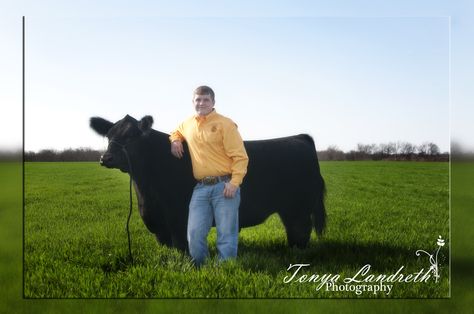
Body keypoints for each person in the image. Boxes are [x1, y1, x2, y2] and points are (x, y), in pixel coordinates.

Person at [169, 86, 249, 266]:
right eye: (198, 100)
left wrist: (234, 183)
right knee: (194, 233)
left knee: (226, 233)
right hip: (200, 188)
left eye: (205, 99)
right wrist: (175, 140)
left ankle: (225, 270)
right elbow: (177, 131)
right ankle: (200, 268)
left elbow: (241, 157)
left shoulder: (225, 124)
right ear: (193, 102)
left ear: (213, 102)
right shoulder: (188, 123)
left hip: (225, 186)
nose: (201, 103)